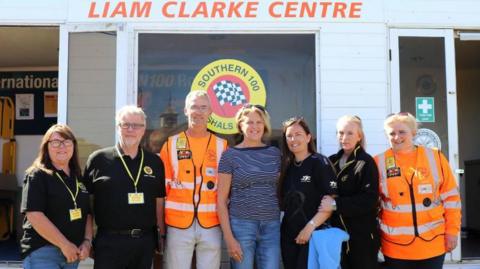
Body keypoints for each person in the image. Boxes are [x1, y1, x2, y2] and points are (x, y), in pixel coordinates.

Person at [374, 112, 461, 269]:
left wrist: (452, 232)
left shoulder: (436, 157)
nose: (396, 137)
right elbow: (373, 204)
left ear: (413, 132)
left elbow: (451, 198)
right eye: (391, 133)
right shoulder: (378, 162)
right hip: (395, 247)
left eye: (402, 132)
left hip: (433, 244)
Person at [83, 105, 166, 269]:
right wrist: (87, 238)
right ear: (117, 127)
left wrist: (161, 235)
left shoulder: (154, 162)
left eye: (136, 125)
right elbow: (86, 204)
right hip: (108, 242)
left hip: (144, 242)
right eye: (125, 124)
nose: (131, 129)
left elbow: (159, 201)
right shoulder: (98, 159)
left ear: (143, 130)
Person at [160, 91, 227, 269]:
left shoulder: (222, 145)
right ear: (185, 111)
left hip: (211, 223)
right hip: (178, 224)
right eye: (194, 107)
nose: (198, 111)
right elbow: (161, 190)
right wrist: (160, 225)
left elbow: (227, 190)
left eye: (203, 107)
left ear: (211, 111)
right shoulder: (171, 144)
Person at [217, 104, 281, 269]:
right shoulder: (229, 155)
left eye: (259, 122)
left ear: (265, 125)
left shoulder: (275, 154)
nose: (255, 126)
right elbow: (221, 201)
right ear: (240, 125)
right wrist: (229, 239)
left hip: (271, 226)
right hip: (241, 225)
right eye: (249, 122)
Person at [20, 124, 93, 269]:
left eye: (67, 142)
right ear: (46, 146)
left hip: (73, 254)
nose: (62, 147)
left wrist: (87, 242)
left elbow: (87, 214)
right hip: (44, 252)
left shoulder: (78, 177)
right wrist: (64, 245)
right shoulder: (37, 174)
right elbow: (34, 215)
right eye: (55, 142)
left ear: (73, 146)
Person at [279, 116, 337, 269]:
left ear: (308, 137)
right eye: (289, 136)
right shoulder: (287, 166)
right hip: (289, 236)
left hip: (313, 234)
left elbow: (329, 203)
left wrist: (309, 228)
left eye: (298, 134)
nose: (293, 139)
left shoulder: (320, 162)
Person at [322, 115, 380, 269]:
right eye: (341, 133)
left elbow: (369, 199)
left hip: (362, 238)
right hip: (336, 235)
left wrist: (335, 204)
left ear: (359, 136)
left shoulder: (366, 162)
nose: (344, 137)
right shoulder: (330, 161)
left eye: (350, 133)